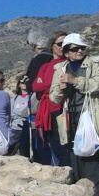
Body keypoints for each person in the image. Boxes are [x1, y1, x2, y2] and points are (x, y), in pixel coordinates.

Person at [50, 33, 99, 196]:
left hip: (92, 117)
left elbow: (98, 85)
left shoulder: (97, 63)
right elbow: (54, 97)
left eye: (82, 47)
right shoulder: (60, 69)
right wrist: (61, 88)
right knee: (75, 157)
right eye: (75, 48)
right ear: (66, 53)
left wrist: (75, 81)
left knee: (93, 157)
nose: (80, 51)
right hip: (70, 118)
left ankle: (95, 194)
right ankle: (81, 194)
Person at [33, 31, 70, 166]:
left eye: (66, 44)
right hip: (46, 111)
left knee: (63, 148)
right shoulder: (45, 66)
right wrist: (54, 84)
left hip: (61, 110)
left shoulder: (68, 64)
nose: (63, 47)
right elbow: (35, 86)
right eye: (60, 44)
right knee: (52, 146)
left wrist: (45, 84)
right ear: (52, 46)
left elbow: (42, 85)